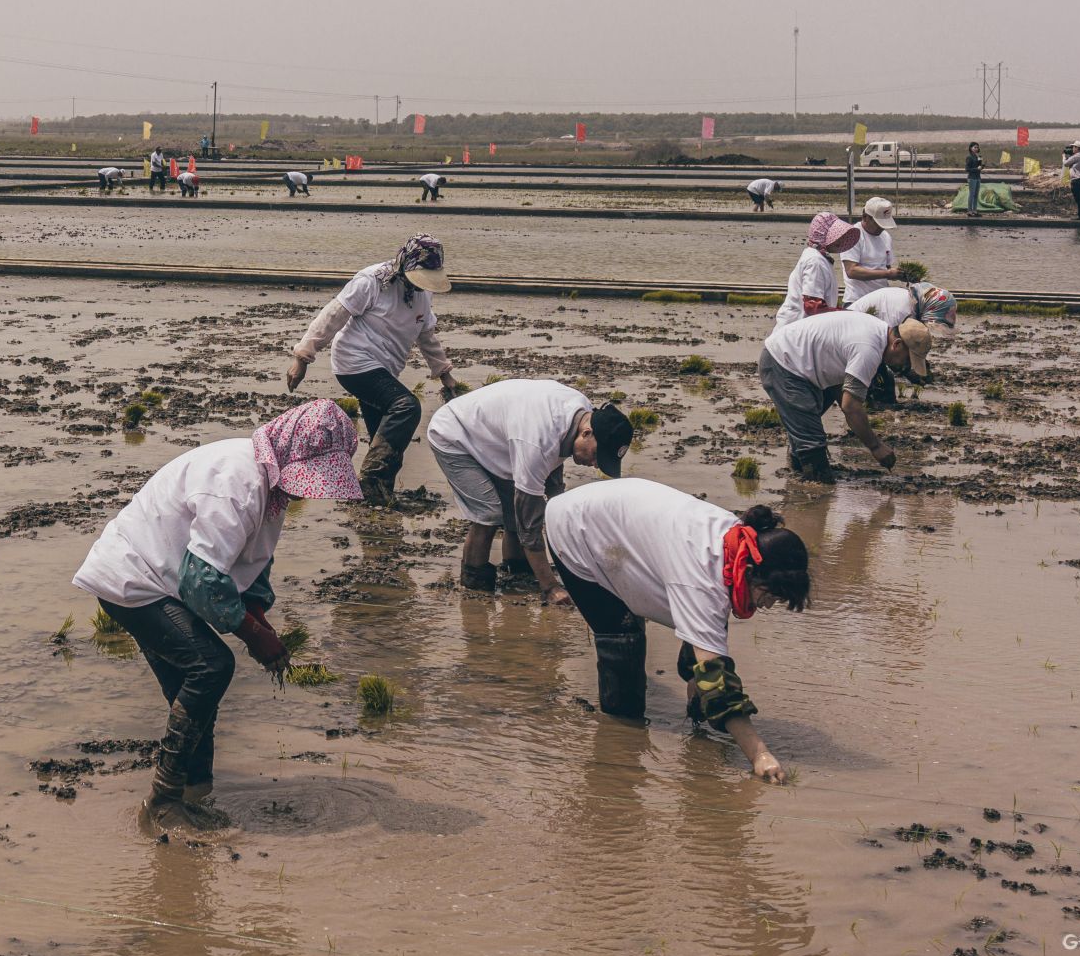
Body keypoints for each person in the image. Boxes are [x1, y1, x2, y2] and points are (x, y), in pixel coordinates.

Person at [72, 400, 362, 821]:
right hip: (135, 579)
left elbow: (252, 560)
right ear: (289, 452)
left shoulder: (271, 487)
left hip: (164, 581)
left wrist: (257, 610)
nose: (307, 490)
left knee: (193, 693)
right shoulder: (237, 481)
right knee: (210, 668)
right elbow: (201, 579)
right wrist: (255, 636)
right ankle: (164, 801)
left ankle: (194, 792)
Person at [545, 479, 812, 783]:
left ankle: (690, 691)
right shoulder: (699, 576)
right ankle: (618, 746)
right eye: (770, 595)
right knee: (623, 639)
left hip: (618, 517)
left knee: (703, 624)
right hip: (574, 528)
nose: (767, 606)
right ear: (750, 573)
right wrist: (759, 754)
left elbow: (710, 620)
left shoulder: (737, 545)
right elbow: (717, 677)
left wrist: (696, 678)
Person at [287, 234, 460, 507]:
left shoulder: (422, 294)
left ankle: (379, 495)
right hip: (354, 362)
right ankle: (369, 481)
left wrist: (444, 373)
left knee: (383, 434)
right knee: (407, 407)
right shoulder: (372, 281)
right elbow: (333, 315)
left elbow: (426, 335)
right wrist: (303, 356)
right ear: (406, 264)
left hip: (386, 368)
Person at [426, 379, 633, 596]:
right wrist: (551, 586)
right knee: (489, 513)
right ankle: (474, 586)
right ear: (587, 433)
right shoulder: (537, 441)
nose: (596, 465)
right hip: (454, 433)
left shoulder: (581, 411)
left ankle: (518, 573)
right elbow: (529, 523)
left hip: (495, 438)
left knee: (517, 509)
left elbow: (554, 473)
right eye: (596, 456)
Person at [758, 310, 930, 482]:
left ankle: (799, 470)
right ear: (897, 344)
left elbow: (840, 389)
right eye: (907, 360)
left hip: (799, 364)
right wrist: (876, 446)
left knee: (807, 427)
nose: (905, 366)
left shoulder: (877, 331)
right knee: (813, 446)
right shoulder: (869, 349)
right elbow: (850, 406)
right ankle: (812, 493)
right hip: (784, 363)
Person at [847, 283, 955, 403]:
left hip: (871, 339)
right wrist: (907, 371)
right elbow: (892, 350)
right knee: (878, 386)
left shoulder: (912, 305)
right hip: (856, 339)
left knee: (885, 385)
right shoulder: (902, 313)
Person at [772, 212, 861, 331]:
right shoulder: (815, 262)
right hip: (795, 332)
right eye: (836, 235)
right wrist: (846, 314)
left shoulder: (817, 256)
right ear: (822, 237)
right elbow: (812, 307)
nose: (840, 239)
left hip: (801, 330)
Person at [840, 197, 900, 305]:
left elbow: (886, 267)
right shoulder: (852, 235)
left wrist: (900, 274)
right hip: (857, 301)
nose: (881, 228)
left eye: (884, 225)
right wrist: (888, 274)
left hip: (881, 300)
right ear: (865, 217)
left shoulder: (885, 236)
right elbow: (851, 271)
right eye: (878, 224)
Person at [1065, 142, 1080, 220]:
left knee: (1078, 199)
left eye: (1074, 147)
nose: (1072, 149)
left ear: (1077, 148)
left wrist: (1063, 157)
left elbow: (1065, 164)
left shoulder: (1077, 156)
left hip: (1076, 180)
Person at [964, 142, 985, 217]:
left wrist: (982, 166)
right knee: (972, 195)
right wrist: (977, 168)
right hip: (972, 178)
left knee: (976, 195)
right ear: (971, 148)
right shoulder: (969, 157)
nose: (976, 149)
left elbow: (979, 167)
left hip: (978, 178)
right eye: (975, 147)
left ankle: (975, 211)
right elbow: (967, 169)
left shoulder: (978, 156)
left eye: (977, 147)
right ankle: (969, 211)